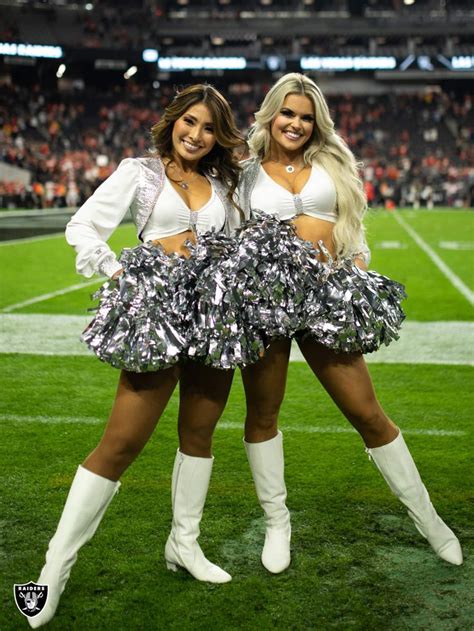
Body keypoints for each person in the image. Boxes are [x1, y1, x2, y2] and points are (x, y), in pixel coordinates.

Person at [190, 73, 463, 573]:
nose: (295, 123)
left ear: (316, 123)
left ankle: (428, 518)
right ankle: (278, 523)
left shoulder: (331, 163)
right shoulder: (244, 174)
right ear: (271, 115)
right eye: (287, 113)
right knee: (263, 413)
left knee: (366, 411)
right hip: (264, 303)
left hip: (324, 296)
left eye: (305, 117)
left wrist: (357, 260)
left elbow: (351, 225)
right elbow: (224, 231)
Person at [28, 84, 244, 629]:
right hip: (159, 315)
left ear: (219, 136)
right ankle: (53, 570)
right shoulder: (140, 171)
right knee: (120, 442)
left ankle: (184, 546)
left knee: (199, 435)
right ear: (173, 122)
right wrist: (119, 271)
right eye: (188, 122)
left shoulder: (222, 181)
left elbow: (239, 240)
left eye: (208, 128)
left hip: (214, 316)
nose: (195, 135)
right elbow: (83, 224)